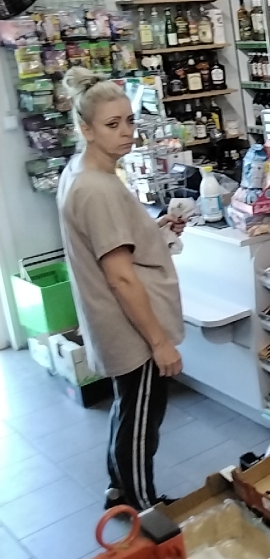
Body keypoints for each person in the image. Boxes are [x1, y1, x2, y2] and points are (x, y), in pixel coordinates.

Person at [57, 67, 186, 511]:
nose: (127, 132)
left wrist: (154, 230)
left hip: (110, 320)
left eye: (129, 120)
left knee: (128, 408)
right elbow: (121, 276)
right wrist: (159, 341)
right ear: (86, 129)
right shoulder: (99, 189)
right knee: (142, 420)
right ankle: (144, 508)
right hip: (131, 327)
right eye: (113, 125)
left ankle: (118, 489)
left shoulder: (80, 172)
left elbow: (112, 243)